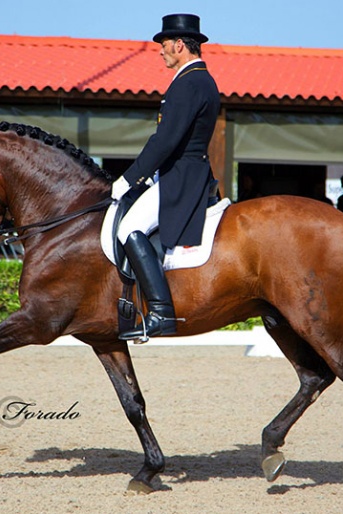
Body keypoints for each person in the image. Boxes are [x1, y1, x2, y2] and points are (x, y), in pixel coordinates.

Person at [110, 13, 220, 341]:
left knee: (129, 227)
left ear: (179, 45)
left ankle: (160, 312)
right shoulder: (198, 79)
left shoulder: (190, 82)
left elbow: (166, 139)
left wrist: (129, 178)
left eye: (164, 45)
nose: (160, 51)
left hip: (182, 174)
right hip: (182, 170)